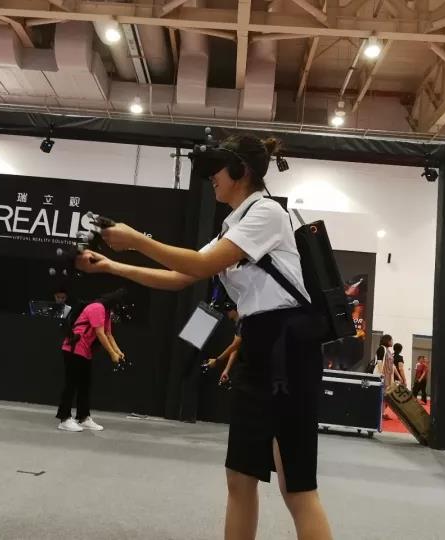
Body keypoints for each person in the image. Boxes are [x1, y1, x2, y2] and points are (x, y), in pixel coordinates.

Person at [76, 134, 333, 540]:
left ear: (240, 172)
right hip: (258, 343)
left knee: (296, 485)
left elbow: (199, 264)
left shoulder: (267, 212)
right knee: (239, 475)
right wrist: (112, 266)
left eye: (218, 169)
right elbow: (181, 276)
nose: (212, 177)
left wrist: (137, 240)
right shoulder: (235, 225)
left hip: (289, 345)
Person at [56, 288, 127, 433]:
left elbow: (108, 334)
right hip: (73, 349)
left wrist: (118, 351)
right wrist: (111, 354)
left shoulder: (106, 312)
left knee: (85, 386)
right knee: (71, 385)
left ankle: (83, 417)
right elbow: (100, 333)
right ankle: (64, 419)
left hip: (85, 351)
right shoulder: (97, 308)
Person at [205, 303, 242, 386]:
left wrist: (217, 361)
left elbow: (234, 345)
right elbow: (235, 348)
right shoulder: (237, 324)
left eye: (229, 310)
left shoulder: (242, 322)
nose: (227, 313)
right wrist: (226, 370)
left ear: (235, 310)